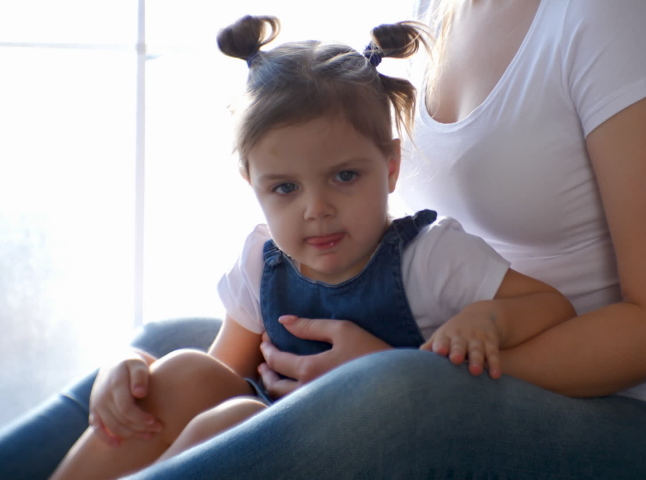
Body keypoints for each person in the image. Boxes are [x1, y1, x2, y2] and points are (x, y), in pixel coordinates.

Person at [0, 1, 646, 479]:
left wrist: (392, 370)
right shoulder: (434, 14)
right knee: (164, 356)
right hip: (459, 348)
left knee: (389, 397)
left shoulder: (612, 13)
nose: (315, 205)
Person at [45, 13, 576, 480]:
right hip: (274, 445)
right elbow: (217, 378)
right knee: (183, 375)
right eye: (285, 188)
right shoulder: (262, 261)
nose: (316, 208)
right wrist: (129, 366)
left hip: (380, 453)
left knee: (239, 420)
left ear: (390, 167)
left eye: (344, 176)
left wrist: (489, 319)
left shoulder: (430, 258)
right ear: (249, 181)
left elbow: (552, 307)